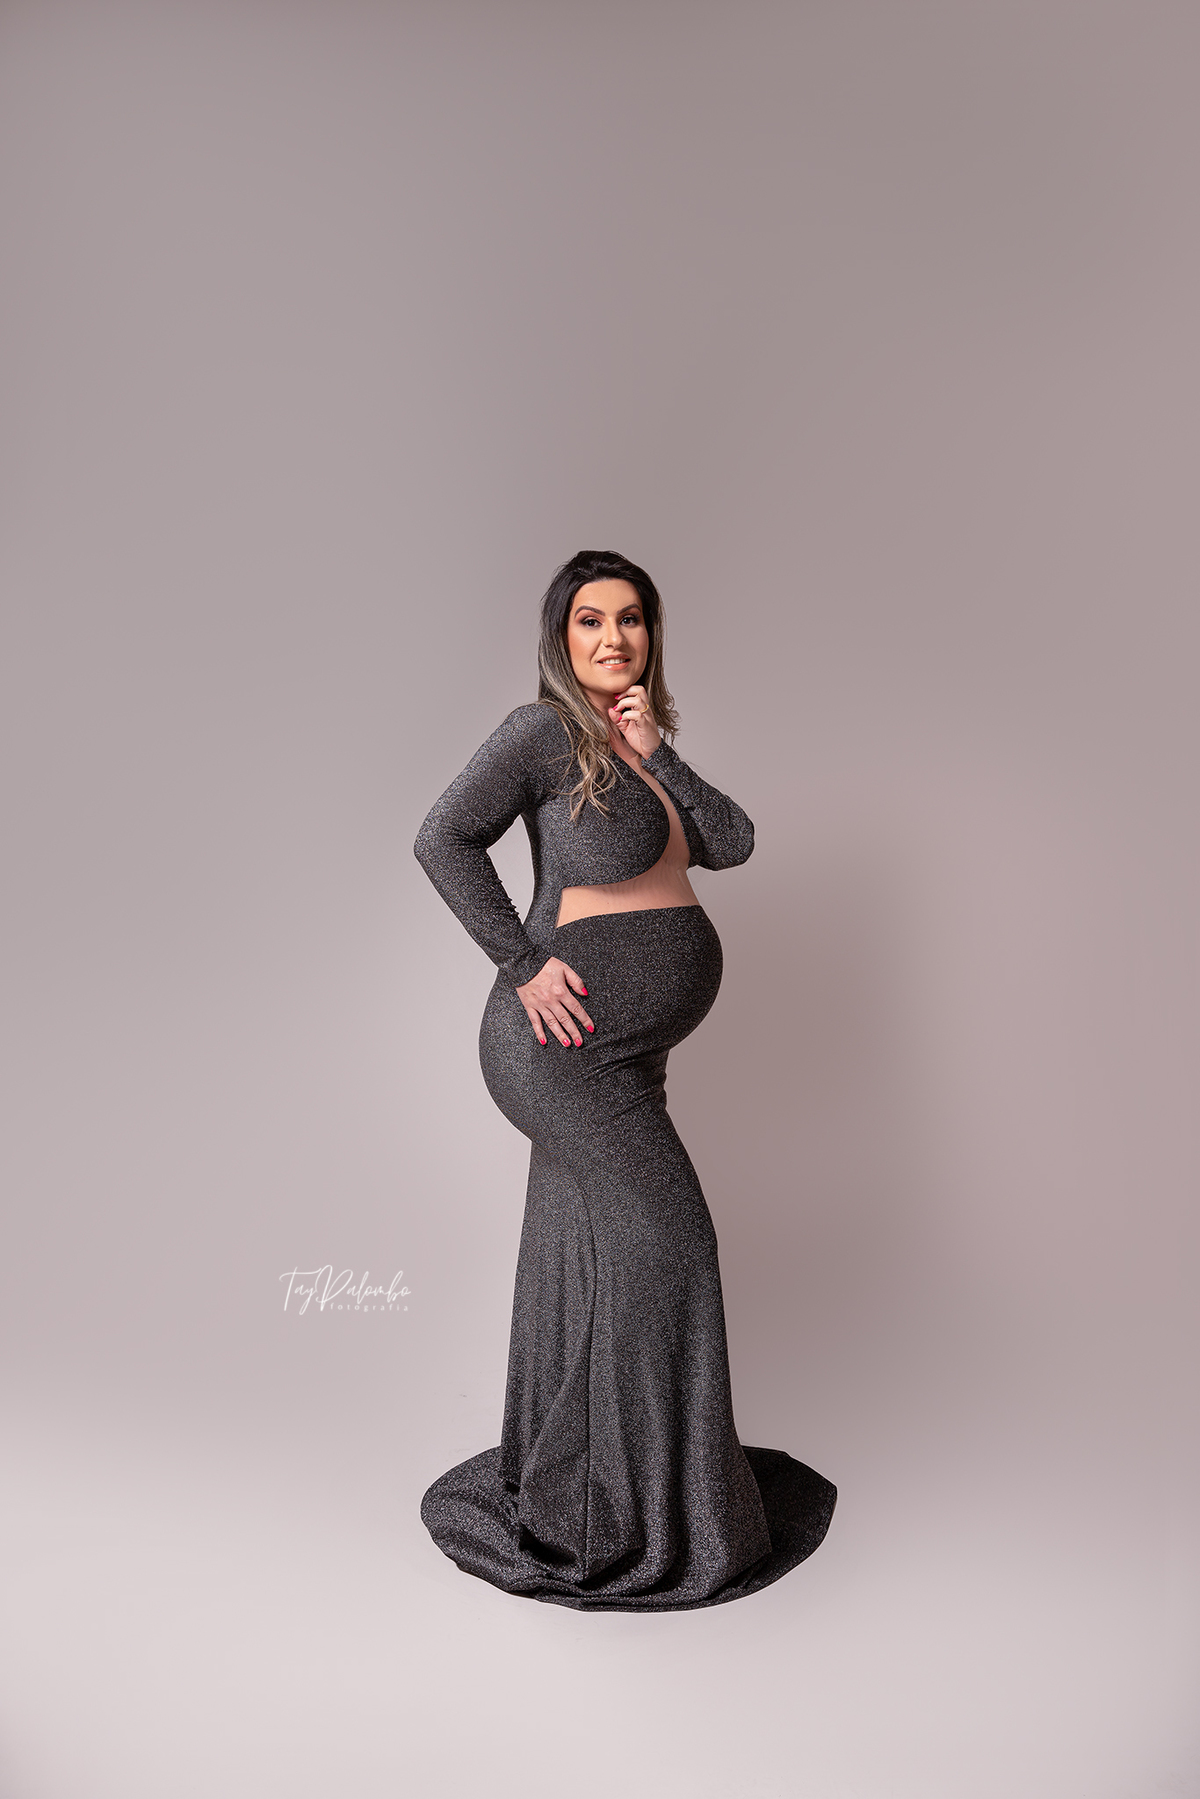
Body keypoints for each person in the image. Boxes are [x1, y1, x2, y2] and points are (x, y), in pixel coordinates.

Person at [413, 549, 836, 1610]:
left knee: (582, 1251)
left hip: (631, 1058)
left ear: (652, 634)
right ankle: (659, 1514)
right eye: (591, 620)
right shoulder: (539, 733)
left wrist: (657, 751)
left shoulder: (639, 742)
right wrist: (521, 961)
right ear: (560, 638)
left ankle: (585, 1492)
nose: (614, 638)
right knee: (671, 1245)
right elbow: (442, 837)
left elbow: (732, 841)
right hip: (560, 1051)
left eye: (632, 619)